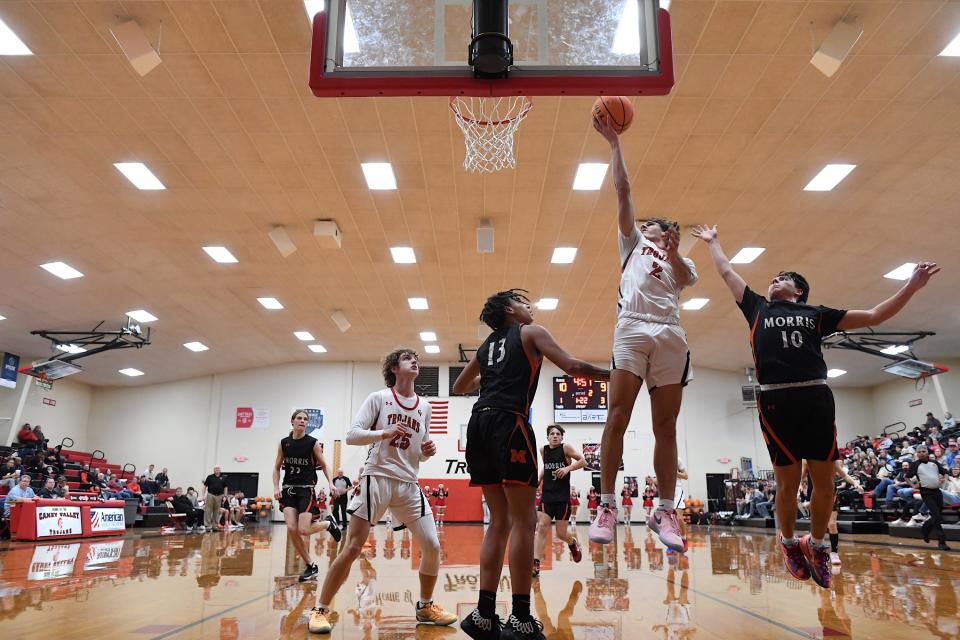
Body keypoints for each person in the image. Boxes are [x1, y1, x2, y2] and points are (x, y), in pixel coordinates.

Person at [691, 223, 939, 588]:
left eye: (784, 278)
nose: (776, 280)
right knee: (786, 483)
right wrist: (714, 243)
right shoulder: (757, 307)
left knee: (825, 485)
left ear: (799, 291)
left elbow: (874, 316)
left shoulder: (816, 314)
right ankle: (789, 543)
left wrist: (911, 287)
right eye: (774, 278)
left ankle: (819, 545)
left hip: (816, 396)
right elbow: (727, 272)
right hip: (775, 398)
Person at [453, 289, 609, 640]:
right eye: (524, 303)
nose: (530, 308)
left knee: (499, 522)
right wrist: (615, 375)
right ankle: (522, 617)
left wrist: (490, 379)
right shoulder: (531, 333)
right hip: (510, 422)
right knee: (524, 522)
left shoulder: (486, 346)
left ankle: (483, 614)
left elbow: (462, 384)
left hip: (478, 425)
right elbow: (572, 367)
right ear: (510, 310)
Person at [588, 115, 698, 552]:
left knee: (666, 426)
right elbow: (623, 192)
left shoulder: (679, 262)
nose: (662, 233)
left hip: (670, 333)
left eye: (667, 231)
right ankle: (607, 504)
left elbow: (686, 280)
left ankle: (665, 510)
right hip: (632, 326)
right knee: (617, 417)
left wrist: (675, 252)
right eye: (659, 228)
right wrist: (614, 143)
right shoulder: (632, 241)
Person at [308, 349, 457, 634]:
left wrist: (428, 450)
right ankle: (321, 608)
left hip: (408, 483)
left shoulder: (425, 407)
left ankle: (425, 605)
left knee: (432, 545)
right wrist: (383, 432)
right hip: (376, 478)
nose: (415, 361)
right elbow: (352, 435)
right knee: (352, 548)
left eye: (416, 358)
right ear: (394, 369)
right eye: (407, 358)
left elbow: (421, 451)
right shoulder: (379, 398)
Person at [274, 409, 342, 582]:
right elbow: (276, 468)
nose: (302, 421)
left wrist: (331, 483)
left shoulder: (313, 443)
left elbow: (324, 465)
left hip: (305, 489)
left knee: (303, 530)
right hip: (288, 489)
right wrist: (276, 487)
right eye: (299, 418)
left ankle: (328, 524)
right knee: (291, 529)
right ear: (293, 421)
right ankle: (311, 565)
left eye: (305, 419)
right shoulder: (284, 443)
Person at [533, 425, 585, 578]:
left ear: (562, 437)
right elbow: (546, 467)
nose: (555, 436)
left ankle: (572, 543)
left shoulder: (565, 448)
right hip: (547, 495)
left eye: (558, 434)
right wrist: (539, 478)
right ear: (547, 437)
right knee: (541, 527)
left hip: (562, 497)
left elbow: (583, 461)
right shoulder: (543, 450)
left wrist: (568, 468)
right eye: (552, 434)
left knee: (561, 533)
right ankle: (536, 563)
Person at [908, 445, 951, 551]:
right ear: (917, 454)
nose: (922, 453)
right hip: (926, 492)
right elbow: (906, 477)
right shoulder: (915, 465)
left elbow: (945, 472)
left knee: (937, 515)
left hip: (937, 491)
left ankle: (925, 528)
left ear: (927, 452)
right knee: (936, 515)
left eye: (924, 451)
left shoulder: (934, 463)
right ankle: (942, 542)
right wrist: (913, 486)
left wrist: (943, 480)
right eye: (919, 452)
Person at [202, 466, 228, 530]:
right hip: (210, 495)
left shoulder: (223, 478)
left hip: (219, 496)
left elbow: (225, 487)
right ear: (214, 470)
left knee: (217, 511)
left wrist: (225, 496)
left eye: (218, 469)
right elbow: (205, 486)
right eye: (215, 469)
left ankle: (215, 526)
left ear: (220, 470)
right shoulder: (210, 477)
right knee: (208, 510)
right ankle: (207, 525)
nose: (217, 470)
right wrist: (203, 495)